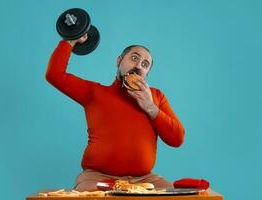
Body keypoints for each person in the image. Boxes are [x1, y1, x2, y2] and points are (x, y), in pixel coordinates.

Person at [45, 34, 185, 191]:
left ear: (146, 74)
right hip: (97, 177)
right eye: (134, 58)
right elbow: (54, 75)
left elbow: (177, 139)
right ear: (119, 61)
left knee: (177, 196)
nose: (139, 65)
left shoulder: (156, 97)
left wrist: (150, 107)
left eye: (145, 64)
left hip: (145, 178)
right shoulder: (94, 93)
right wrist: (70, 41)